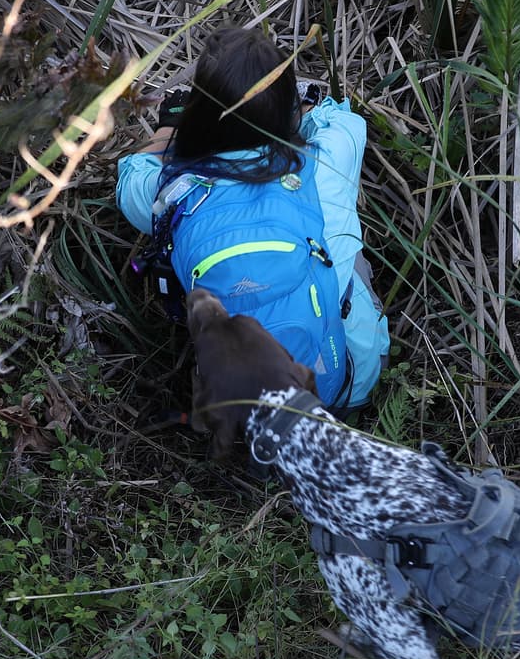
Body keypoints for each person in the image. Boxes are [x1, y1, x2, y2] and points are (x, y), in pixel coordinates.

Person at [116, 26, 389, 412]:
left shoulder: (177, 193)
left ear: (204, 118)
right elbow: (343, 121)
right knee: (340, 244)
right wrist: (296, 105)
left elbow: (130, 175)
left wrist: (170, 124)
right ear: (283, 112)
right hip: (348, 382)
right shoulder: (322, 163)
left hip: (242, 404)